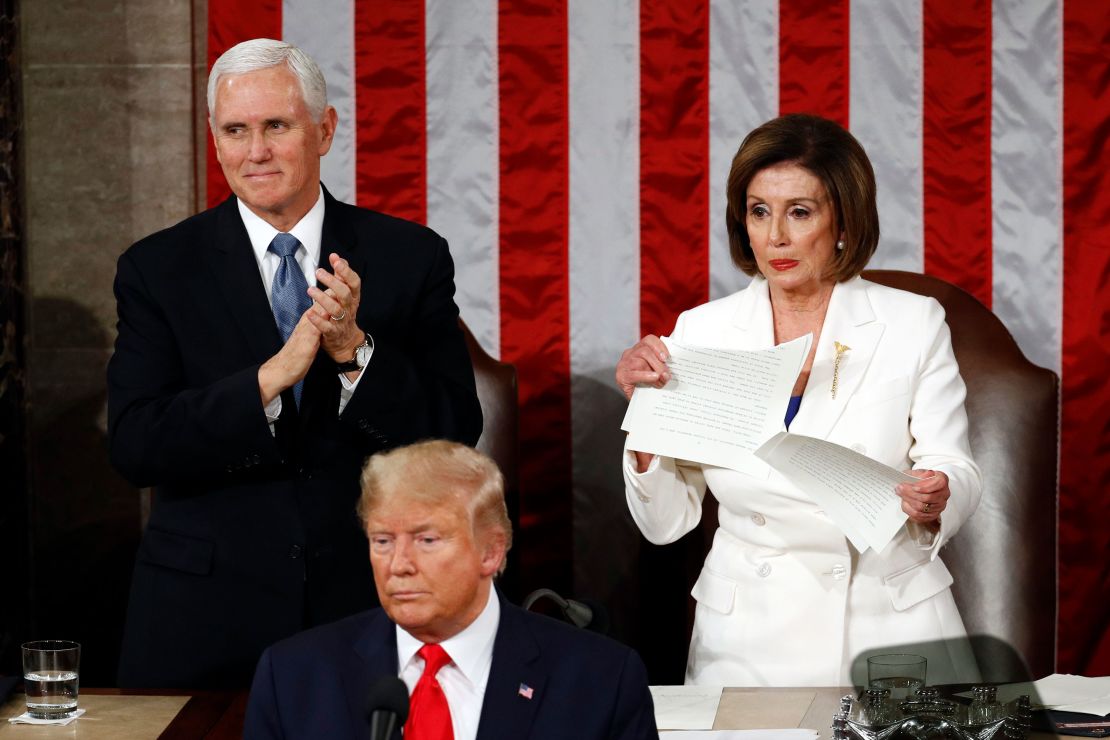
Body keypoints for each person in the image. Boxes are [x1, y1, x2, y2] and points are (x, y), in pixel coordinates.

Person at [107, 39, 482, 688]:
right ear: (216, 140)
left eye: (276, 126)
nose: (256, 152)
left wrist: (353, 353)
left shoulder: (408, 256)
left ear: (324, 130)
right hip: (204, 616)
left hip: (364, 606)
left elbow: (452, 432)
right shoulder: (157, 269)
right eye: (236, 130)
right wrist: (268, 381)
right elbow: (136, 444)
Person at [616, 114, 982, 687]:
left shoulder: (912, 322)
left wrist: (938, 495)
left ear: (843, 221)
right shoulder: (700, 331)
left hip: (891, 626)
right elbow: (665, 523)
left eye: (800, 212)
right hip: (747, 638)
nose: (776, 237)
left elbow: (954, 463)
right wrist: (645, 423)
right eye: (759, 211)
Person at [244, 440, 657, 740]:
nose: (399, 565)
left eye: (427, 540)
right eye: (383, 541)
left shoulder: (600, 682)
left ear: (491, 552)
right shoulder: (295, 678)